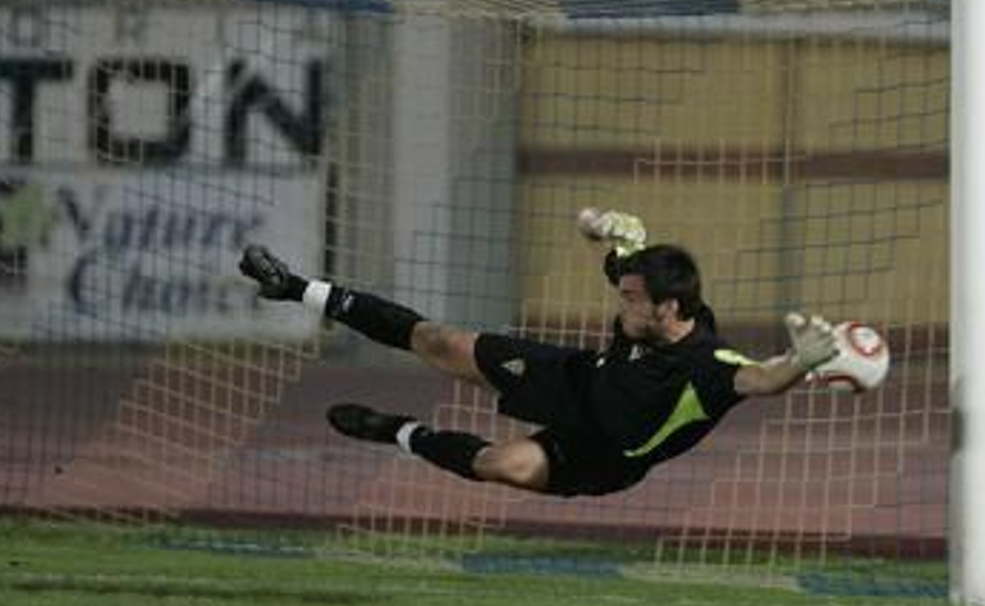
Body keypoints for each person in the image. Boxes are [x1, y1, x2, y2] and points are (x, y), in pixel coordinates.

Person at [237, 209, 842, 498]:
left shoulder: (710, 365)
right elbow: (596, 236)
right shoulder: (646, 299)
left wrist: (803, 360)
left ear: (668, 309)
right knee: (440, 341)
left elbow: (762, 380)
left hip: (606, 454)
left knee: (503, 466)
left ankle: (398, 432)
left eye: (631, 298)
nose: (620, 300)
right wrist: (603, 229)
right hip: (575, 381)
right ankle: (292, 287)